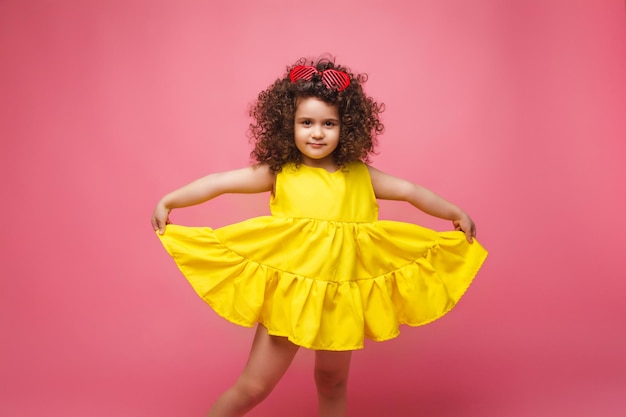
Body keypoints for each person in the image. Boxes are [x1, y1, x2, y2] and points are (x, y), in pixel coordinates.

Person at [151, 57, 487, 417]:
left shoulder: (360, 176)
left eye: (329, 123)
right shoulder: (281, 172)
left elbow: (410, 191)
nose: (317, 132)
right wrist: (171, 200)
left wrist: (454, 212)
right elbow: (220, 182)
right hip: (291, 298)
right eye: (306, 123)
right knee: (253, 386)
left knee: (332, 383)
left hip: (339, 300)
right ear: (287, 125)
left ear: (348, 127)